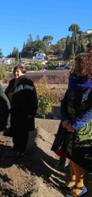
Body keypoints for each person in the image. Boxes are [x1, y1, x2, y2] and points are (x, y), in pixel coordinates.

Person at [59, 53, 92, 197]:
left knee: (78, 155)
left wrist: (77, 124)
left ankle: (80, 186)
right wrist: (65, 119)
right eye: (76, 64)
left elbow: (91, 110)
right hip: (69, 123)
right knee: (70, 153)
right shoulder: (73, 82)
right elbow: (64, 102)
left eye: (80, 64)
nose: (77, 67)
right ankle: (72, 179)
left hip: (83, 127)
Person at [5, 66, 38, 158]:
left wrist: (31, 112)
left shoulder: (28, 83)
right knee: (15, 129)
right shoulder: (12, 82)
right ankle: (15, 146)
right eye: (15, 71)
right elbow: (6, 93)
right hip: (13, 111)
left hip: (24, 112)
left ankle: (21, 150)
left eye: (18, 72)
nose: (16, 73)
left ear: (24, 72)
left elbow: (33, 98)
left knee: (23, 132)